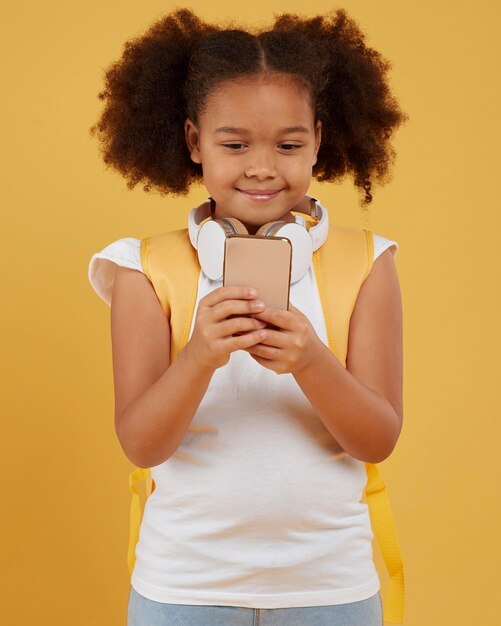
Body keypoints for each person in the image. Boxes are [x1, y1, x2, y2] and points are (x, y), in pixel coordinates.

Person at [88, 7, 407, 625]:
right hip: (183, 589)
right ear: (193, 144)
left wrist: (313, 362)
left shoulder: (368, 263)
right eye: (234, 145)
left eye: (288, 145)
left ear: (317, 139)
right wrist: (200, 356)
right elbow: (141, 445)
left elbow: (378, 440)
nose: (262, 167)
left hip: (330, 591)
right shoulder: (142, 269)